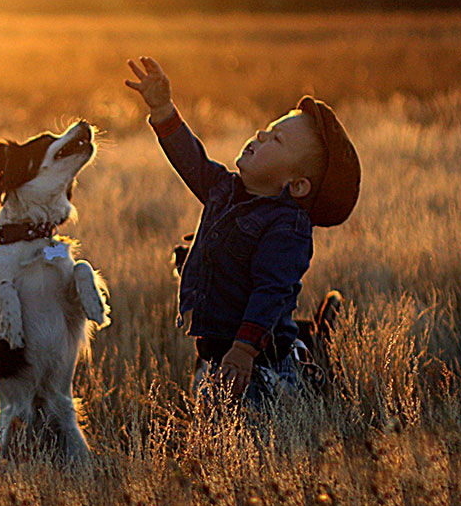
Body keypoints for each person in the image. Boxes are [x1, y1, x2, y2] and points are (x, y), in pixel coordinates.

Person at [124, 56, 360, 403]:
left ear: (296, 186)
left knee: (248, 431)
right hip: (220, 351)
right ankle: (311, 337)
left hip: (261, 361)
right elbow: (191, 160)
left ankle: (310, 358)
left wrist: (245, 350)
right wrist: (162, 109)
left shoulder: (287, 227)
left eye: (276, 140)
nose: (260, 135)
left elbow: (272, 291)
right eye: (266, 129)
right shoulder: (224, 189)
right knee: (211, 417)